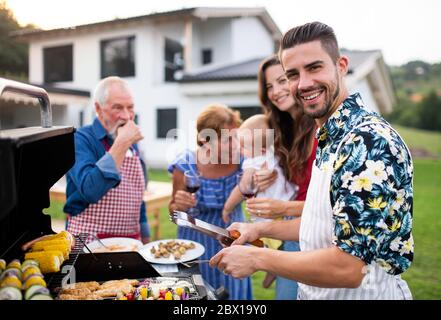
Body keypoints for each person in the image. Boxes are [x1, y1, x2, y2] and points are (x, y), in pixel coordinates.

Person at [210, 22, 414, 300]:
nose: (303, 83)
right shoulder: (329, 134)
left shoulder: (366, 141)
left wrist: (259, 258)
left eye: (314, 67)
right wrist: (259, 228)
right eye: (292, 74)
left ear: (341, 65)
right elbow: (324, 224)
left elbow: (349, 268)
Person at [168, 104, 275, 300]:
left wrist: (267, 176)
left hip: (232, 238)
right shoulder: (185, 163)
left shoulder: (243, 160)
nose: (235, 145)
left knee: (234, 297)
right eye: (227, 139)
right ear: (204, 140)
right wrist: (178, 205)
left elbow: (268, 169)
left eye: (236, 137)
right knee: (199, 296)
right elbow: (173, 212)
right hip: (195, 242)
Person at [64, 76, 150, 244]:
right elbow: (90, 190)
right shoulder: (80, 139)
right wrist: (122, 143)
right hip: (88, 243)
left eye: (130, 108)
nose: (126, 116)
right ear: (98, 108)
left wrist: (146, 239)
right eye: (117, 108)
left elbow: (138, 197)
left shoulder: (134, 145)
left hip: (130, 243)